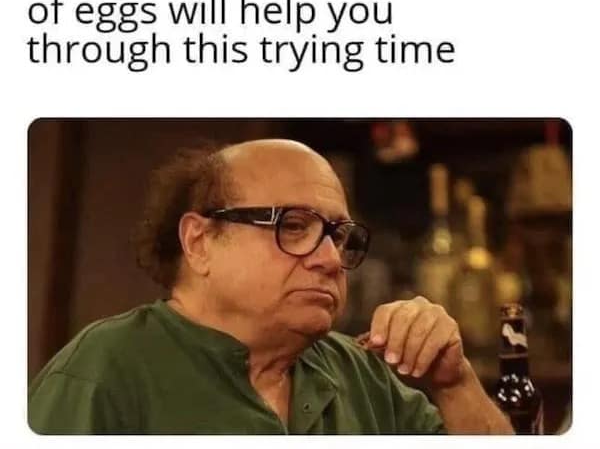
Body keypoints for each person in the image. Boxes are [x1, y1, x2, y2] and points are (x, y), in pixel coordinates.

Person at [28, 139, 514, 435]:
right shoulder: (104, 372)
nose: (330, 259)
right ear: (200, 242)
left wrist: (455, 384)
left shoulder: (361, 375)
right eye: (294, 226)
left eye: (338, 236)